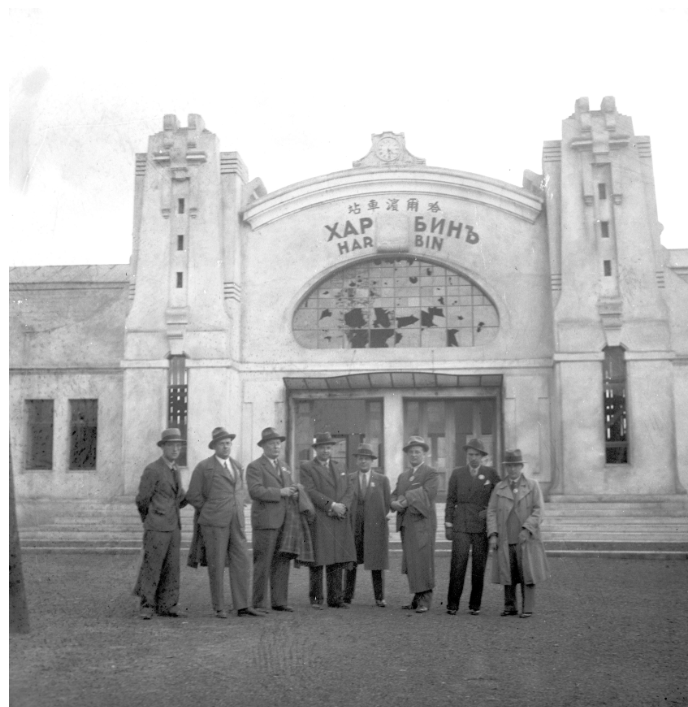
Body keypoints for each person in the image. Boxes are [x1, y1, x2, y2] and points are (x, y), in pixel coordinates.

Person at [186, 427, 262, 619]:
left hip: (236, 521)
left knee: (242, 561)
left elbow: (241, 492)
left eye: (228, 443)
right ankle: (219, 607)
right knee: (217, 564)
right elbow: (193, 495)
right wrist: (211, 510)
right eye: (222, 443)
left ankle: (243, 605)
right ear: (214, 446)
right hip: (214, 523)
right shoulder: (204, 467)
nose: (226, 446)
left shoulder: (237, 465)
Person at [487, 448, 549, 618]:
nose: (512, 469)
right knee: (508, 572)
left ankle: (527, 607)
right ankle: (509, 606)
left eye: (516, 465)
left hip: (526, 538)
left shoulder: (532, 485)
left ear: (521, 466)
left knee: (527, 572)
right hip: (506, 537)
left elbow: (539, 510)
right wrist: (492, 534)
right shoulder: (499, 487)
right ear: (506, 468)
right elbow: (491, 511)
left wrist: (527, 528)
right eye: (509, 466)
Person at [133, 428, 188, 620]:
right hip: (157, 526)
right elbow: (142, 500)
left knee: (172, 568)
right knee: (152, 566)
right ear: (163, 447)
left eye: (178, 445)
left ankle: (168, 605)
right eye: (171, 445)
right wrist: (150, 520)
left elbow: (177, 498)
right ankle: (147, 606)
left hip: (173, 527)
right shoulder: (152, 469)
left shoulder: (176, 470)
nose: (175, 449)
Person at [299, 432, 356, 609]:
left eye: (329, 447)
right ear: (316, 449)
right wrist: (331, 505)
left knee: (337, 558)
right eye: (322, 447)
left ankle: (335, 598)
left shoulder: (341, 465)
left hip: (339, 517)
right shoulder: (307, 467)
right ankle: (316, 599)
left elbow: (349, 489)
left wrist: (343, 506)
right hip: (321, 517)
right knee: (318, 559)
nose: (326, 450)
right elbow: (310, 491)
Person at [444, 438, 500, 616]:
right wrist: (448, 524)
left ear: (482, 456)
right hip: (461, 523)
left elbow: (499, 496)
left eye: (477, 455)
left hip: (481, 525)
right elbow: (450, 500)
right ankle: (452, 604)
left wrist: (489, 511)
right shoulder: (457, 473)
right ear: (466, 455)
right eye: (470, 455)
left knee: (478, 566)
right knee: (458, 565)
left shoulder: (490, 473)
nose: (473, 458)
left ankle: (475, 605)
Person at [246, 427, 298, 613]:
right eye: (272, 444)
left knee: (282, 561)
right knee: (263, 562)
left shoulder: (284, 466)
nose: (276, 447)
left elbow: (287, 487)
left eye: (278, 443)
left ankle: (279, 601)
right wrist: (280, 492)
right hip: (265, 522)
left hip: (284, 521)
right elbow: (255, 491)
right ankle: (259, 603)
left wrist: (293, 490)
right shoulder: (255, 466)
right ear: (264, 446)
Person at [391, 436, 439, 614]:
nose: (414, 455)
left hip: (422, 524)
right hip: (406, 524)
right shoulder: (404, 475)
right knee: (412, 562)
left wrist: (403, 501)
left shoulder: (430, 473)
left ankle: (425, 600)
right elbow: (395, 494)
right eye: (411, 452)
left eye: (417, 451)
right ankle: (417, 598)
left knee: (423, 560)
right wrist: (392, 502)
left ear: (424, 454)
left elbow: (428, 494)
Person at [343, 444, 391, 608]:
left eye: (366, 459)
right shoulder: (348, 478)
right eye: (360, 458)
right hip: (354, 525)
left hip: (374, 527)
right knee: (350, 561)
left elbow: (387, 503)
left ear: (372, 461)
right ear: (356, 460)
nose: (363, 461)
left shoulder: (382, 480)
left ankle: (379, 597)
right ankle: (347, 596)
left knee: (376, 562)